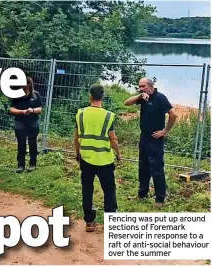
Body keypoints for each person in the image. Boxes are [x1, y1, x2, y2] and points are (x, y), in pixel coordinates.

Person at [74, 84, 121, 232]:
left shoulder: (80, 114)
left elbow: (76, 137)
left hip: (86, 158)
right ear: (103, 97)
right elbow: (113, 139)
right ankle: (111, 220)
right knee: (109, 189)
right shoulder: (108, 115)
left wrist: (78, 153)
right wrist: (118, 154)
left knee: (87, 189)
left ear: (90, 96)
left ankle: (89, 221)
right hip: (104, 160)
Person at [124, 78, 177, 208]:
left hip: (155, 139)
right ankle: (142, 194)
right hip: (144, 137)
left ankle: (160, 199)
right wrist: (139, 96)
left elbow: (173, 114)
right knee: (143, 167)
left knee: (157, 169)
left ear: (151, 86)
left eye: (143, 86)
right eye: (139, 86)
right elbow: (126, 103)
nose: (141, 88)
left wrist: (165, 131)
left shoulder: (160, 98)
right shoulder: (142, 97)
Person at [10, 76, 43, 173]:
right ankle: (21, 165)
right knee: (21, 143)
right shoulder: (16, 95)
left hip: (33, 121)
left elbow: (40, 109)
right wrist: (22, 111)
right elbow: (12, 109)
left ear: (29, 84)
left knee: (32, 143)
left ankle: (32, 164)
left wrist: (32, 110)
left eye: (23, 84)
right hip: (20, 122)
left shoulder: (36, 95)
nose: (21, 86)